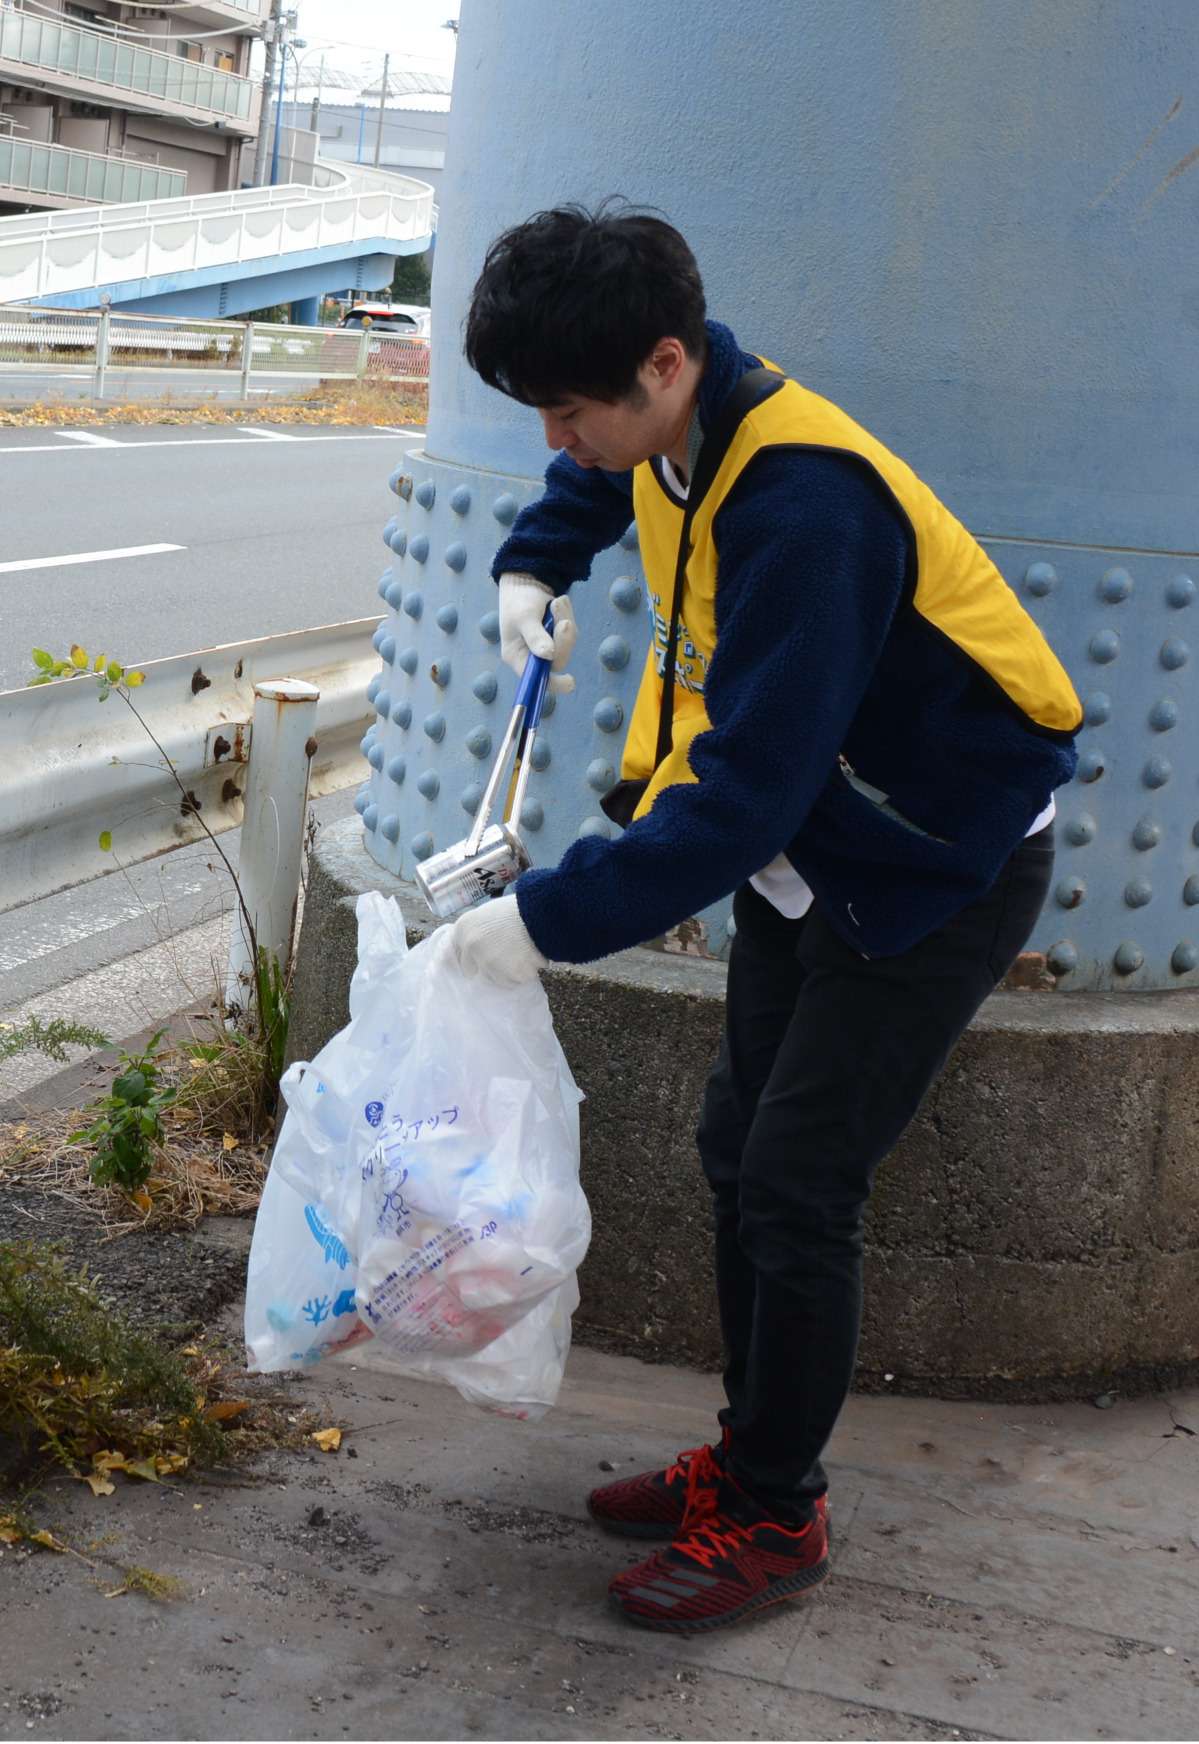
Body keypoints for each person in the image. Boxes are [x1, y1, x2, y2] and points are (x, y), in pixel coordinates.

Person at [449, 203, 1081, 1634]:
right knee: (739, 1144)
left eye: (569, 410)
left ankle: (778, 1511)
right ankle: (746, 1460)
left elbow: (737, 802)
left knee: (798, 1177)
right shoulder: (687, 418)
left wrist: (543, 920)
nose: (558, 437)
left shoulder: (805, 507)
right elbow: (612, 477)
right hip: (820, 841)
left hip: (931, 860)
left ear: (664, 363)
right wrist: (533, 561)